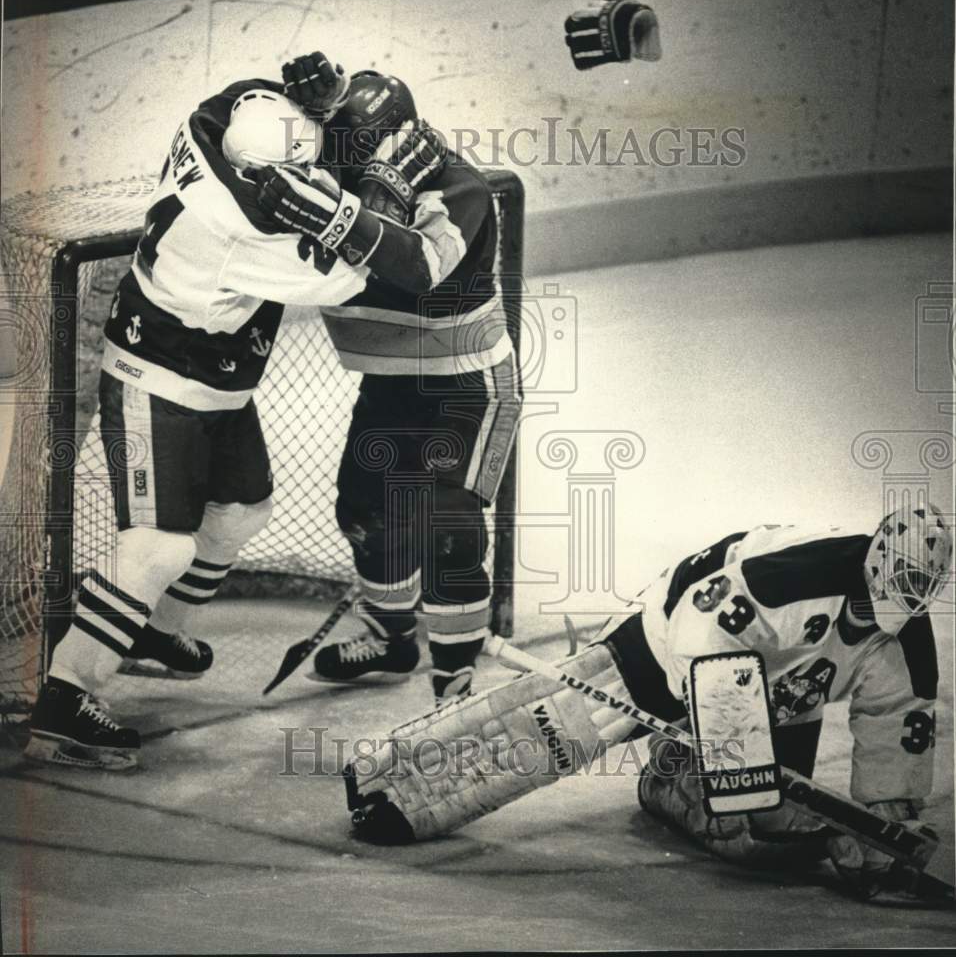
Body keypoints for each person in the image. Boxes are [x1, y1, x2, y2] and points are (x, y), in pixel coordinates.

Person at [25, 54, 372, 769]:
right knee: (160, 548)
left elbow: (262, 102)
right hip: (159, 381)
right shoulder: (233, 229)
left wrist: (314, 112)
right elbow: (353, 271)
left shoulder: (222, 118)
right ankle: (65, 699)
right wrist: (370, 197)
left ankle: (154, 627)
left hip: (214, 377)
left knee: (243, 509)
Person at [345, 505, 953, 904]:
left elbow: (896, 728)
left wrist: (889, 825)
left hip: (779, 694)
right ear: (874, 559)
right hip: (673, 642)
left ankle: (671, 775)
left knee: (763, 835)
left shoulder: (906, 642)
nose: (893, 606)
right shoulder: (792, 573)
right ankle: (390, 782)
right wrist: (730, 739)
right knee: (552, 728)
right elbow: (703, 621)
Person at [256, 67, 521, 705]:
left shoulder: (455, 187)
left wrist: (360, 203)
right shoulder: (325, 182)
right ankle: (393, 637)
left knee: (447, 525)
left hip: (466, 384)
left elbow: (419, 269)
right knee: (366, 513)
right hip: (389, 383)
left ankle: (454, 685)